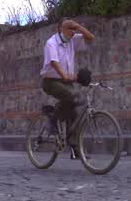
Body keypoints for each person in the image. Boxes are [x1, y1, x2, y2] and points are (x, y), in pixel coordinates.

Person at [40, 18, 95, 156]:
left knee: (74, 112)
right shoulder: (51, 43)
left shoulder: (72, 40)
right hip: (51, 81)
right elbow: (54, 62)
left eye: (73, 29)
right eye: (69, 28)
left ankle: (74, 148)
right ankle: (53, 117)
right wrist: (65, 75)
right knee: (71, 95)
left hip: (66, 81)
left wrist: (79, 26)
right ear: (61, 29)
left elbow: (91, 38)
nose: (72, 31)